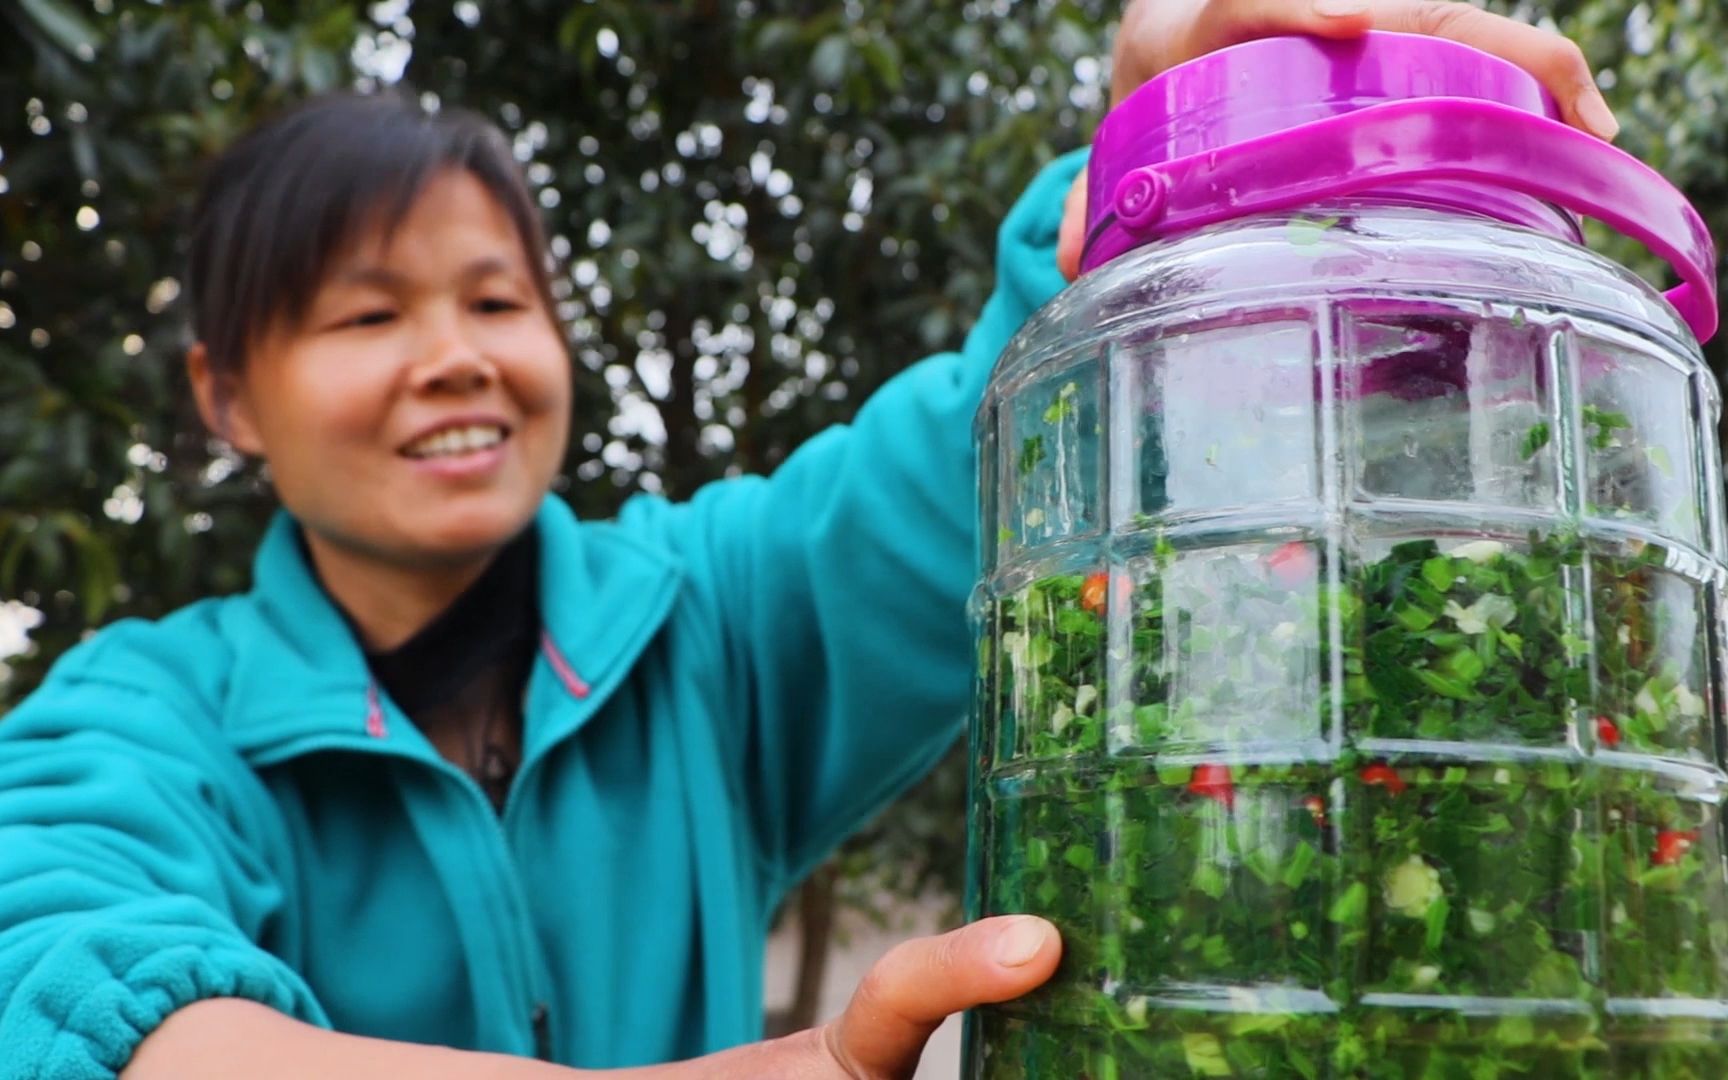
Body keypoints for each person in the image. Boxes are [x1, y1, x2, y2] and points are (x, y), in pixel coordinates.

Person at [0, 2, 1618, 1077]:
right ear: (228, 396)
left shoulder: (699, 621)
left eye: (499, 300)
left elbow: (997, 441)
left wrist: (1172, 172)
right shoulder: (142, 712)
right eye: (367, 313)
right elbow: (82, 989)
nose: (458, 357)